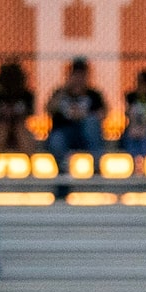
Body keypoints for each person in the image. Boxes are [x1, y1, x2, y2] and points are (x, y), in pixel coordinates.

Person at [42, 57, 108, 198]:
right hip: (65, 134)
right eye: (75, 74)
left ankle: (96, 168)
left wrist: (84, 116)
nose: (79, 78)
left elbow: (104, 114)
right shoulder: (60, 93)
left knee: (91, 123)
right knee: (57, 139)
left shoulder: (93, 95)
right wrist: (65, 91)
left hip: (86, 135)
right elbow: (49, 109)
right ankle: (63, 174)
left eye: (82, 75)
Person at [0, 60, 35, 152]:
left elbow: (30, 112)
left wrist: (16, 113)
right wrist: (3, 113)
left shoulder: (26, 95)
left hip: (19, 126)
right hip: (0, 125)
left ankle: (31, 163)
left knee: (21, 130)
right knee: (1, 130)